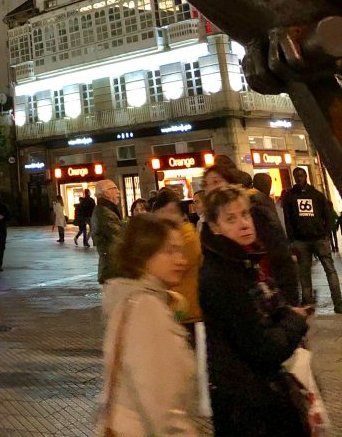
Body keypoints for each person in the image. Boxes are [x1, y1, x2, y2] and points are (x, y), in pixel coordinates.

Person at [199, 185, 309, 437]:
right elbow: (264, 347)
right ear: (214, 227)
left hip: (259, 400)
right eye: (231, 218)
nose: (244, 224)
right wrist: (294, 319)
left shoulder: (246, 263)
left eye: (245, 215)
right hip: (249, 407)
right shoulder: (222, 277)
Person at [101, 215, 197, 436]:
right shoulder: (146, 308)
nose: (181, 260)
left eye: (180, 250)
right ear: (144, 254)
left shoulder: (130, 298)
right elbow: (161, 403)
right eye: (169, 251)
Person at [203, 163, 299, 305]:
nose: (211, 188)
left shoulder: (257, 218)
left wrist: (287, 307)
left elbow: (280, 257)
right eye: (206, 184)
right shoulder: (217, 267)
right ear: (215, 226)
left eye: (216, 181)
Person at [282, 165, 342, 313]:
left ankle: (338, 302)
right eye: (297, 176)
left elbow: (327, 216)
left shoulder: (316, 195)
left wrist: (326, 234)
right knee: (305, 272)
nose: (299, 179)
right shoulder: (290, 196)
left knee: (329, 270)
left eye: (301, 176)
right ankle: (308, 302)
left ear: (306, 177)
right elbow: (288, 220)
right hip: (301, 240)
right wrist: (292, 240)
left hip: (317, 238)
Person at [152, 188, 202, 335]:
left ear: (182, 215)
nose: (168, 217)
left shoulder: (187, 237)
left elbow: (161, 272)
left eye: (173, 212)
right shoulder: (164, 239)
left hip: (189, 313)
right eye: (164, 212)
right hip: (174, 313)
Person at [248, 173, 299, 306]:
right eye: (267, 183)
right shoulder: (260, 202)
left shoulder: (262, 201)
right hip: (271, 257)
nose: (269, 186)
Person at [92, 179, 124, 284]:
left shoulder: (108, 209)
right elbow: (119, 237)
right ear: (105, 193)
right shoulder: (103, 212)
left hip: (114, 268)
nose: (118, 191)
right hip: (112, 270)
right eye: (114, 188)